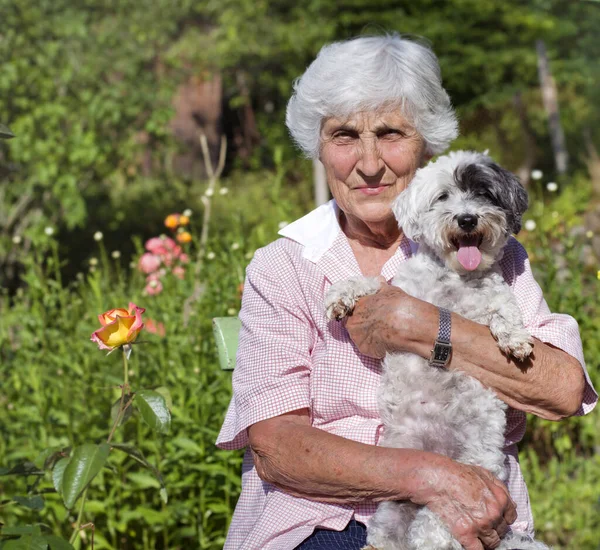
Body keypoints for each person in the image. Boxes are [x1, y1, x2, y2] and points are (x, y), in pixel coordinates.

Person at [216, 34, 598, 550]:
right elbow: (277, 447)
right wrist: (430, 476)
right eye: (345, 135)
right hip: (317, 521)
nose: (369, 163)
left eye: (391, 133)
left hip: (473, 517)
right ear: (319, 147)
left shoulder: (487, 249)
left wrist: (423, 327)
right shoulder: (284, 265)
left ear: (426, 144)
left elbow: (562, 389)